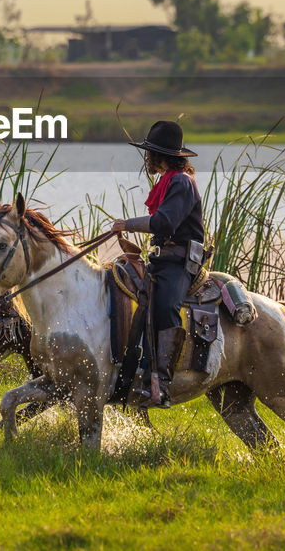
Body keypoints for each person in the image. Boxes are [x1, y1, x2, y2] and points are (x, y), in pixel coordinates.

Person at [110, 120, 206, 408]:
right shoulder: (170, 180)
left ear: (159, 155)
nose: (147, 158)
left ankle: (161, 384)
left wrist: (127, 224)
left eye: (149, 152)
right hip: (163, 260)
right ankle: (131, 373)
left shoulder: (181, 182)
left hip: (179, 263)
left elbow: (165, 222)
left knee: (165, 306)